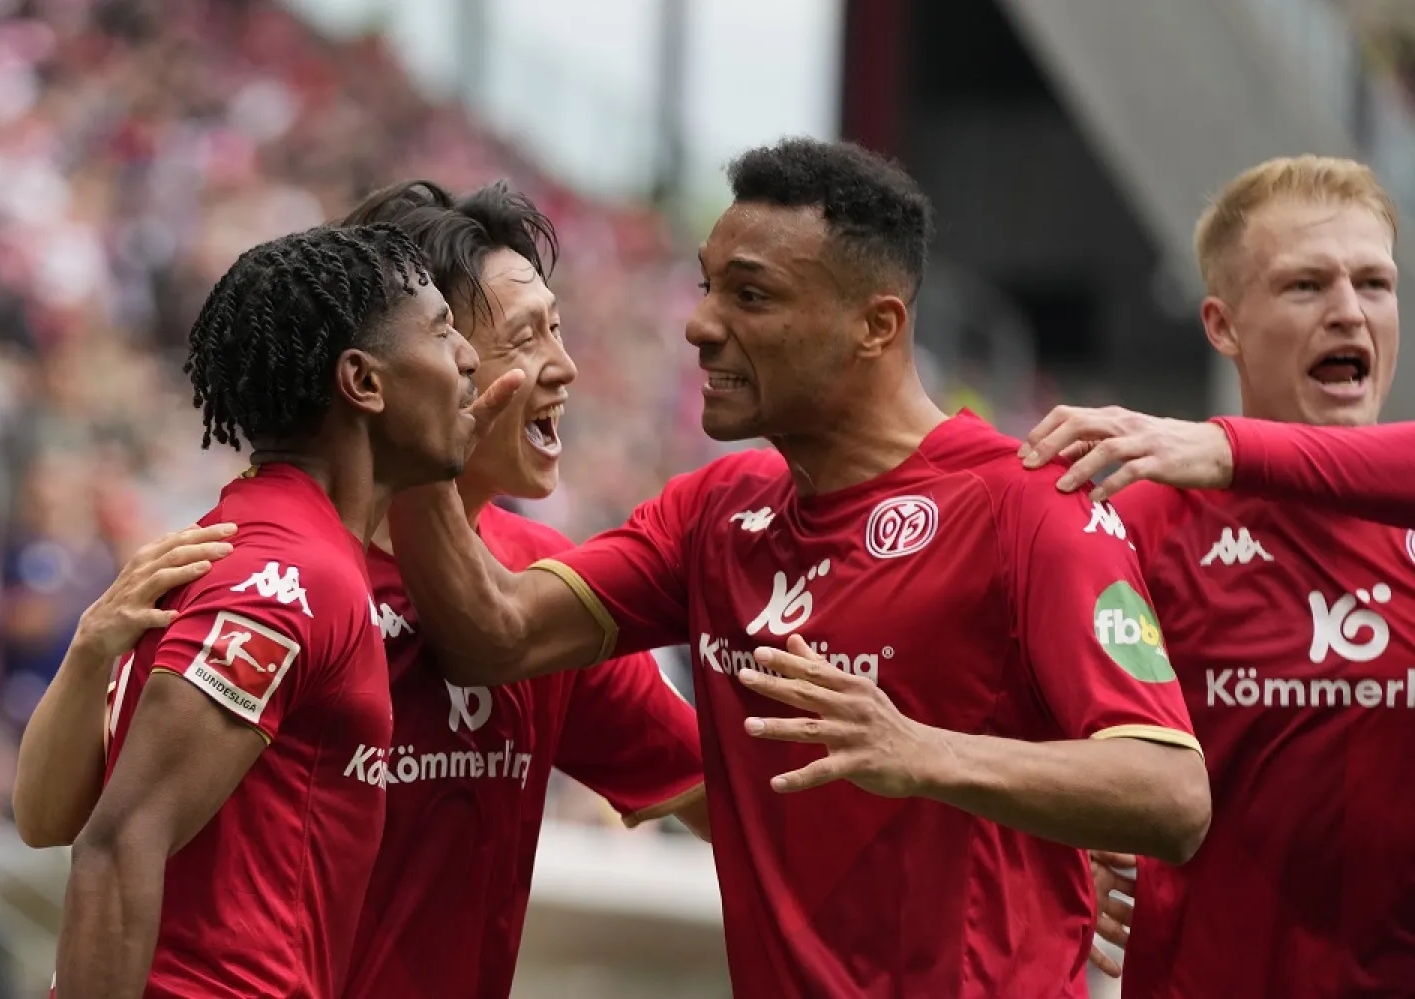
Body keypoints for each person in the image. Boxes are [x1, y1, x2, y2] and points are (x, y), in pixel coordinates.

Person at [384, 137, 1212, 997]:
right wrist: (418, 428)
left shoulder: (1030, 504)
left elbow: (1172, 791)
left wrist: (927, 753)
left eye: (752, 296)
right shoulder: (712, 513)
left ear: (877, 326)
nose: (702, 327)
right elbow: (492, 632)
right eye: (708, 289)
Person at [14, 182, 707, 999]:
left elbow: (743, 808)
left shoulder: (537, 603)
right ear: (367, 372)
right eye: (515, 337)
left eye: (559, 328)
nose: (563, 365)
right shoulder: (281, 571)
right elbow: (99, 835)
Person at [50, 223, 514, 999]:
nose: (467, 356)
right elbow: (115, 842)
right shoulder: (288, 576)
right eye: (442, 333)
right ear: (364, 382)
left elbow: (58, 817)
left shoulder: (254, 546)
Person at [1020, 155, 1415, 997]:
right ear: (1222, 324)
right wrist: (1063, 845)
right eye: (1306, 285)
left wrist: (1228, 447)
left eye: (1374, 283)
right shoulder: (1141, 523)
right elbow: (1021, 725)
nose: (1349, 309)